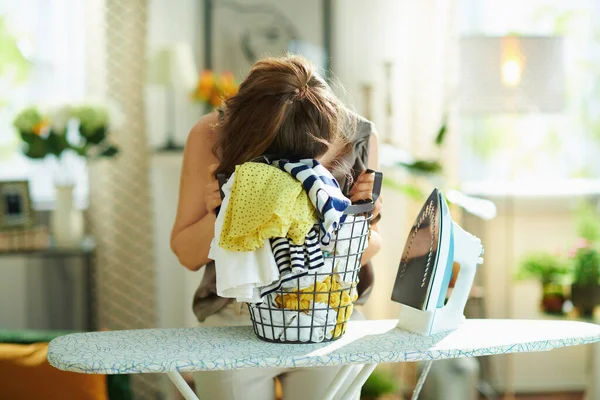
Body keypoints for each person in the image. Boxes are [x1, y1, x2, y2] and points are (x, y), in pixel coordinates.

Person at [171, 55, 383, 400]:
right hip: (235, 314)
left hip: (326, 314)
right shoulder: (210, 134)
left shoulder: (359, 136)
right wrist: (221, 215)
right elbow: (185, 253)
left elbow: (370, 245)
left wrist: (362, 219)